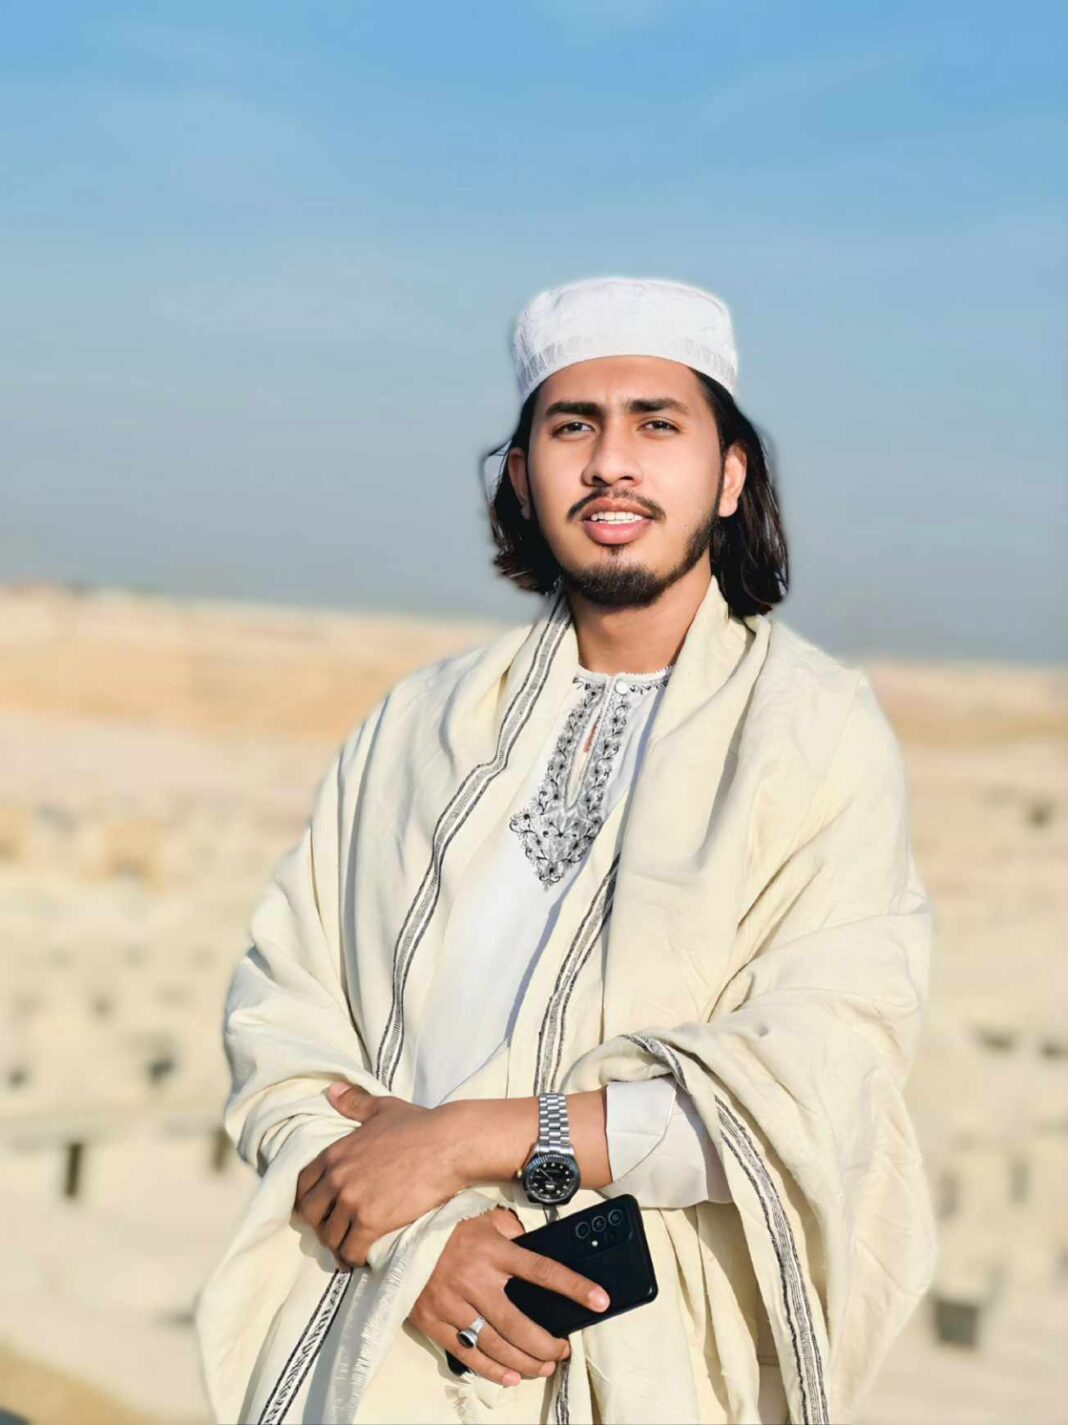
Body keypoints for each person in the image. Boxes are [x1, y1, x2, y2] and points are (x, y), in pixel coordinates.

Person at [194, 277, 937, 1424]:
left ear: (730, 475)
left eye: (658, 424)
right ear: (521, 476)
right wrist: (418, 1238)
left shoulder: (814, 733)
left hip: (644, 1358)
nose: (611, 464)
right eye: (573, 427)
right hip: (379, 1324)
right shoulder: (421, 722)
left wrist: (469, 1143)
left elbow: (819, 1082)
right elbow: (281, 1010)